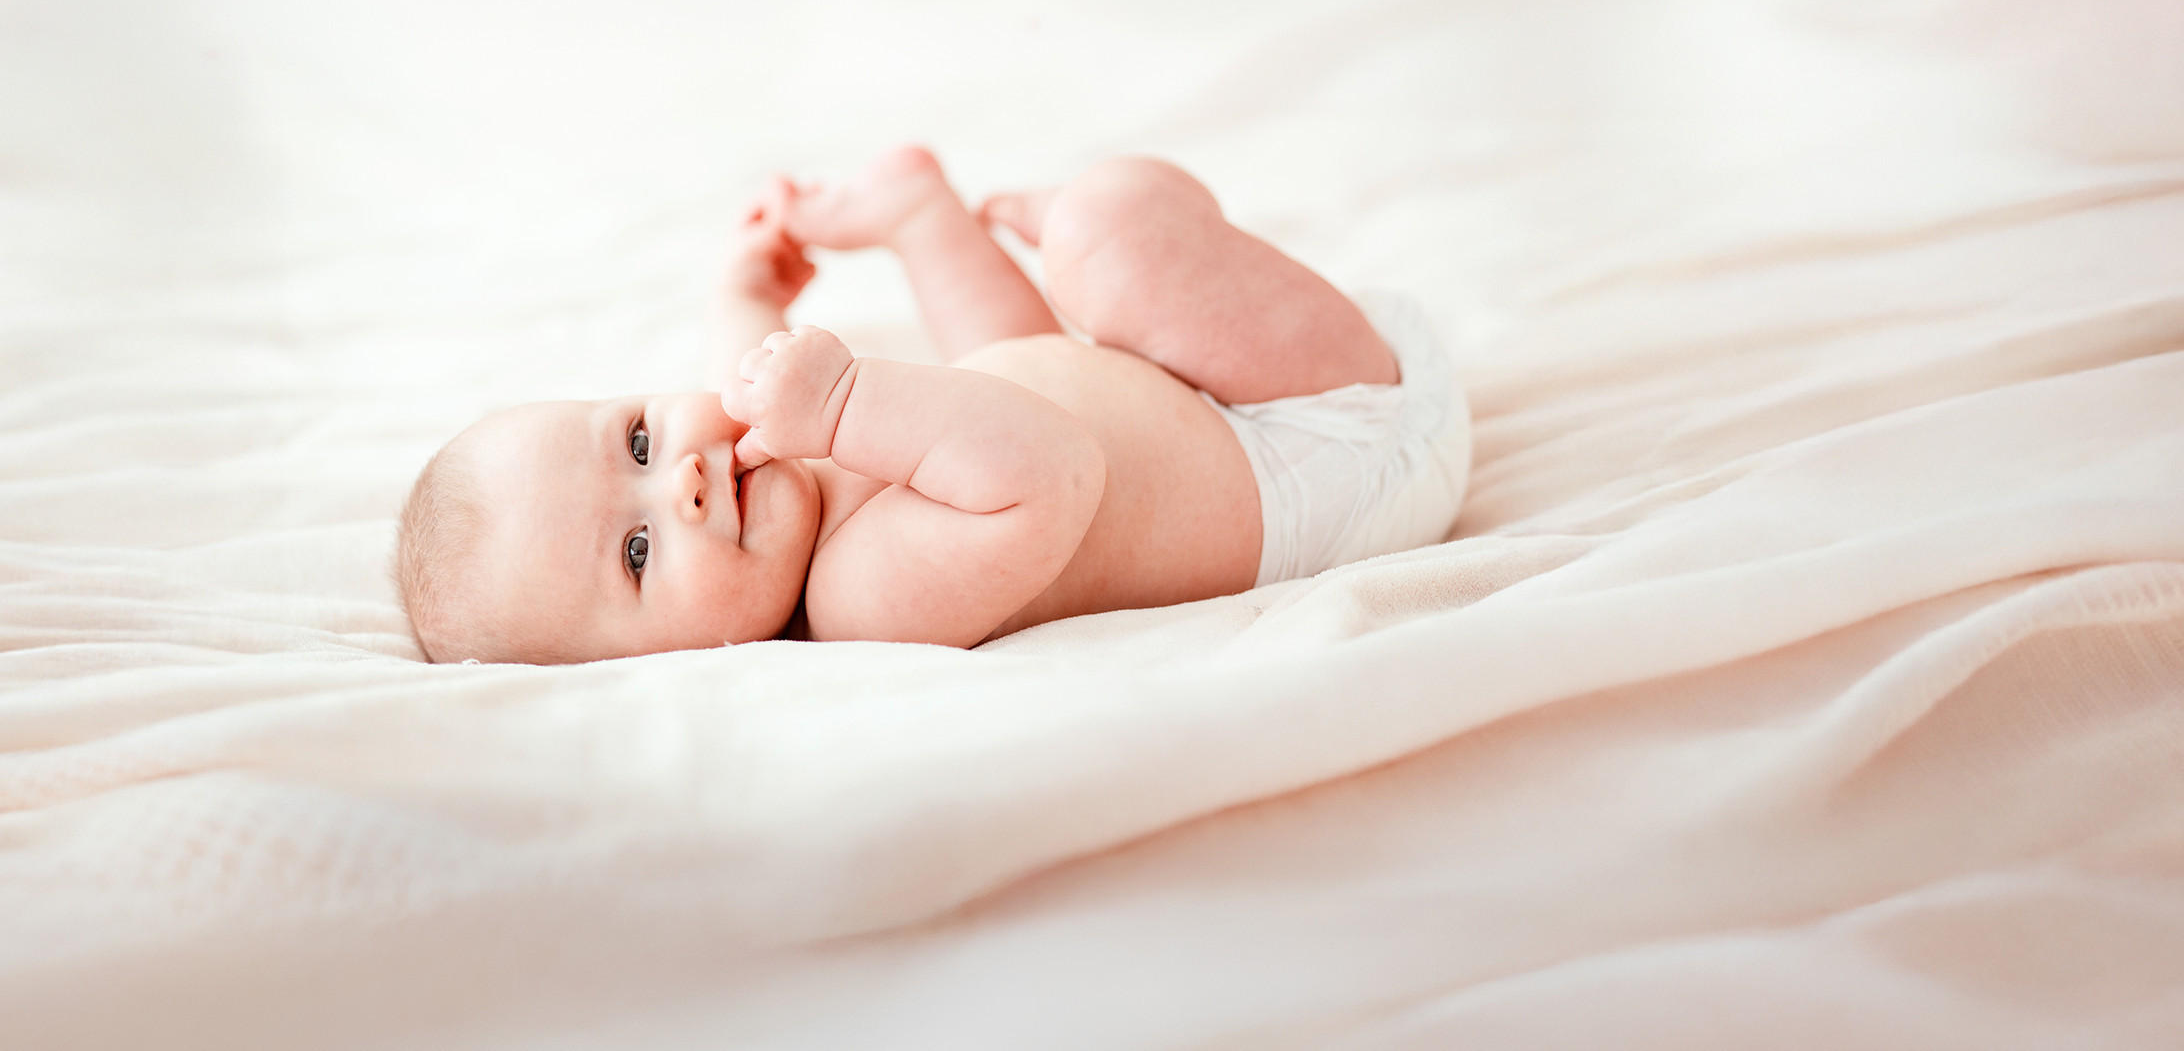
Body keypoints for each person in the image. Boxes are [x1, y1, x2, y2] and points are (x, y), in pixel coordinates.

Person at [395, 147, 1469, 663]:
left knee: (1016, 359)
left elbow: (735, 377)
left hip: (1204, 403)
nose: (674, 472)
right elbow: (1050, 466)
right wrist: (847, 398)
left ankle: (922, 219)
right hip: (1342, 444)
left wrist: (745, 292)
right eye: (635, 552)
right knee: (1104, 238)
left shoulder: (745, 469)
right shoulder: (864, 598)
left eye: (634, 435)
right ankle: (1138, 225)